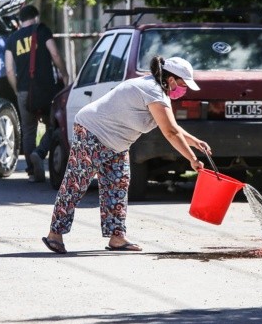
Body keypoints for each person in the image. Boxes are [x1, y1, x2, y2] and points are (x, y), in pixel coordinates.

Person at [41, 56, 212, 254]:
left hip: (118, 142)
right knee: (77, 182)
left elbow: (173, 127)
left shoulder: (160, 94)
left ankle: (117, 238)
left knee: (118, 185)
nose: (184, 89)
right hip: (92, 131)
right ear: (172, 80)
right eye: (183, 84)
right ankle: (55, 235)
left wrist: (195, 142)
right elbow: (170, 133)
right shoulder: (152, 90)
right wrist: (192, 158)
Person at [5, 5, 69, 183]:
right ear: (36, 17)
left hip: (24, 91)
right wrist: (65, 74)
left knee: (28, 131)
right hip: (46, 90)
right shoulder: (42, 31)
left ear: (20, 20)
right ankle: (39, 152)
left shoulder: (12, 39)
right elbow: (54, 53)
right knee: (53, 125)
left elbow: (9, 70)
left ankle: (32, 172)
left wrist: (17, 89)